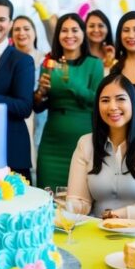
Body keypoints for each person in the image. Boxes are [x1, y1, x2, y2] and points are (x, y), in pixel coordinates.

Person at [66, 74, 135, 219]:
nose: (112, 107)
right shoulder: (85, 143)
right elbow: (79, 201)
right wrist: (60, 206)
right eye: (105, 100)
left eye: (121, 99)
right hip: (95, 230)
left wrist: (114, 215)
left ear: (133, 103)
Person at [34, 13, 104, 189]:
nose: (69, 35)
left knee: (80, 199)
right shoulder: (49, 63)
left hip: (83, 140)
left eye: (74, 30)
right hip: (51, 143)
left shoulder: (94, 64)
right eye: (64, 30)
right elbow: (38, 107)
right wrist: (40, 92)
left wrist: (70, 81)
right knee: (48, 197)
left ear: (83, 34)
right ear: (58, 35)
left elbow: (96, 101)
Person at [0, 0, 35, 182]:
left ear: (10, 23)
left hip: (10, 147)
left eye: (2, 19)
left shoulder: (22, 60)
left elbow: (24, 107)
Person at [11, 15, 48, 161]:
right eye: (17, 29)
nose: (22, 33)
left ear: (35, 32)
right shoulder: (7, 62)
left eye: (26, 29)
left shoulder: (46, 60)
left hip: (42, 119)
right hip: (18, 119)